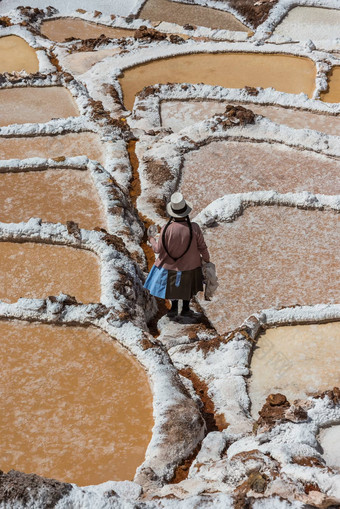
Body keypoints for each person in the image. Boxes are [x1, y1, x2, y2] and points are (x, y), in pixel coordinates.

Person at [144, 192, 210, 317]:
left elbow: (157, 250)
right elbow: (202, 247)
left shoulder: (166, 228)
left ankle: (173, 309)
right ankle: (186, 309)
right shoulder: (194, 227)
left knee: (172, 289)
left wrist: (151, 239)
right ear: (186, 212)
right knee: (187, 288)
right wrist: (207, 260)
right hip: (191, 266)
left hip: (170, 267)